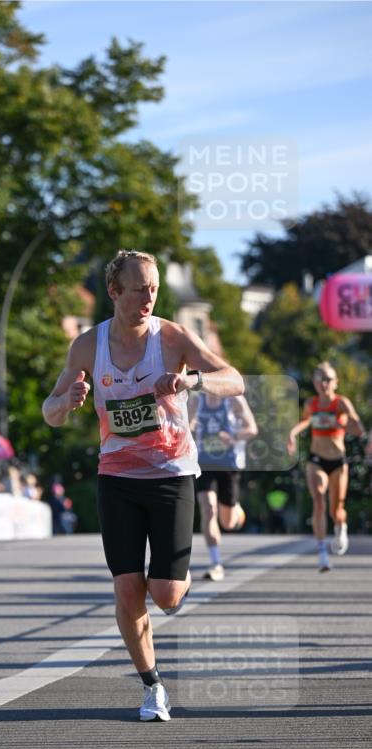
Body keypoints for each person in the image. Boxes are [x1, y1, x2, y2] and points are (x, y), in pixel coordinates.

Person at [42, 248, 244, 722]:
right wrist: (68, 400)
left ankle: (179, 578)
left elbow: (233, 380)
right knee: (127, 588)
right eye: (139, 290)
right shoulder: (88, 346)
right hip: (116, 476)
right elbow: (49, 413)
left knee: (167, 596)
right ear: (114, 292)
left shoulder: (172, 336)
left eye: (154, 289)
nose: (148, 298)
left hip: (171, 474)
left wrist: (192, 381)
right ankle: (153, 686)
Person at [287, 362, 366, 572]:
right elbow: (306, 421)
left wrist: (344, 425)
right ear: (314, 382)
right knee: (319, 501)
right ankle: (322, 554)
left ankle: (341, 527)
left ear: (336, 382)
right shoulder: (311, 403)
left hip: (338, 462)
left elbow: (358, 428)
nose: (324, 383)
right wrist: (293, 433)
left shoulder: (341, 403)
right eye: (320, 379)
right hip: (316, 459)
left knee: (336, 509)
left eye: (328, 379)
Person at [191, 390, 257, 581]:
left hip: (228, 463)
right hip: (203, 463)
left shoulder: (234, 400)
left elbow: (251, 428)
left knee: (227, 523)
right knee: (208, 509)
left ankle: (236, 509)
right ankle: (216, 563)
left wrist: (233, 435)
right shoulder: (196, 401)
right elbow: (184, 427)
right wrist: (191, 426)